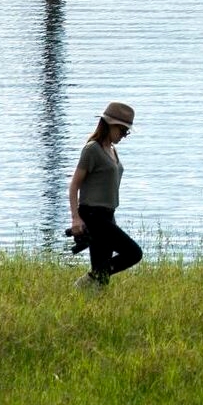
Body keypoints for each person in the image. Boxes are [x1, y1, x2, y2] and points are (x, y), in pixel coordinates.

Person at [68, 100, 143, 287]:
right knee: (133, 253)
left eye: (127, 132)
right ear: (109, 124)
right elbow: (74, 185)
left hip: (108, 215)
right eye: (122, 130)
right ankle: (84, 283)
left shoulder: (112, 149)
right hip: (93, 215)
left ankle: (89, 306)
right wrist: (76, 219)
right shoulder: (92, 149)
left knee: (102, 281)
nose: (124, 135)